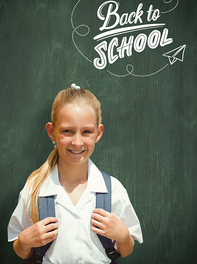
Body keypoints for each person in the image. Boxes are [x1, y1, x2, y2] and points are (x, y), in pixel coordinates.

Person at [8, 83, 143, 264]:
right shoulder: (34, 189)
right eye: (67, 131)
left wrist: (124, 236)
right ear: (51, 132)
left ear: (98, 133)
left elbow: (125, 250)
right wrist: (24, 242)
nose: (77, 142)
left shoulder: (114, 190)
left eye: (86, 131)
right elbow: (20, 249)